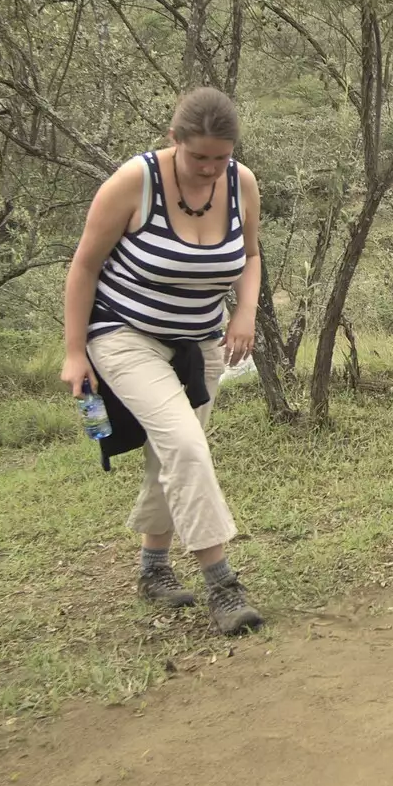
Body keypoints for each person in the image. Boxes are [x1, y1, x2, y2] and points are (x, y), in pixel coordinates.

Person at [60, 87, 265, 635]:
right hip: (125, 335)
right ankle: (222, 584)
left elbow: (249, 255)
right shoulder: (134, 182)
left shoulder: (240, 182)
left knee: (172, 454)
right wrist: (75, 351)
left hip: (200, 344)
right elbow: (83, 266)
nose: (209, 168)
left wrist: (244, 312)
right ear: (173, 141)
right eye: (199, 156)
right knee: (187, 445)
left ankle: (153, 569)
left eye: (220, 157)